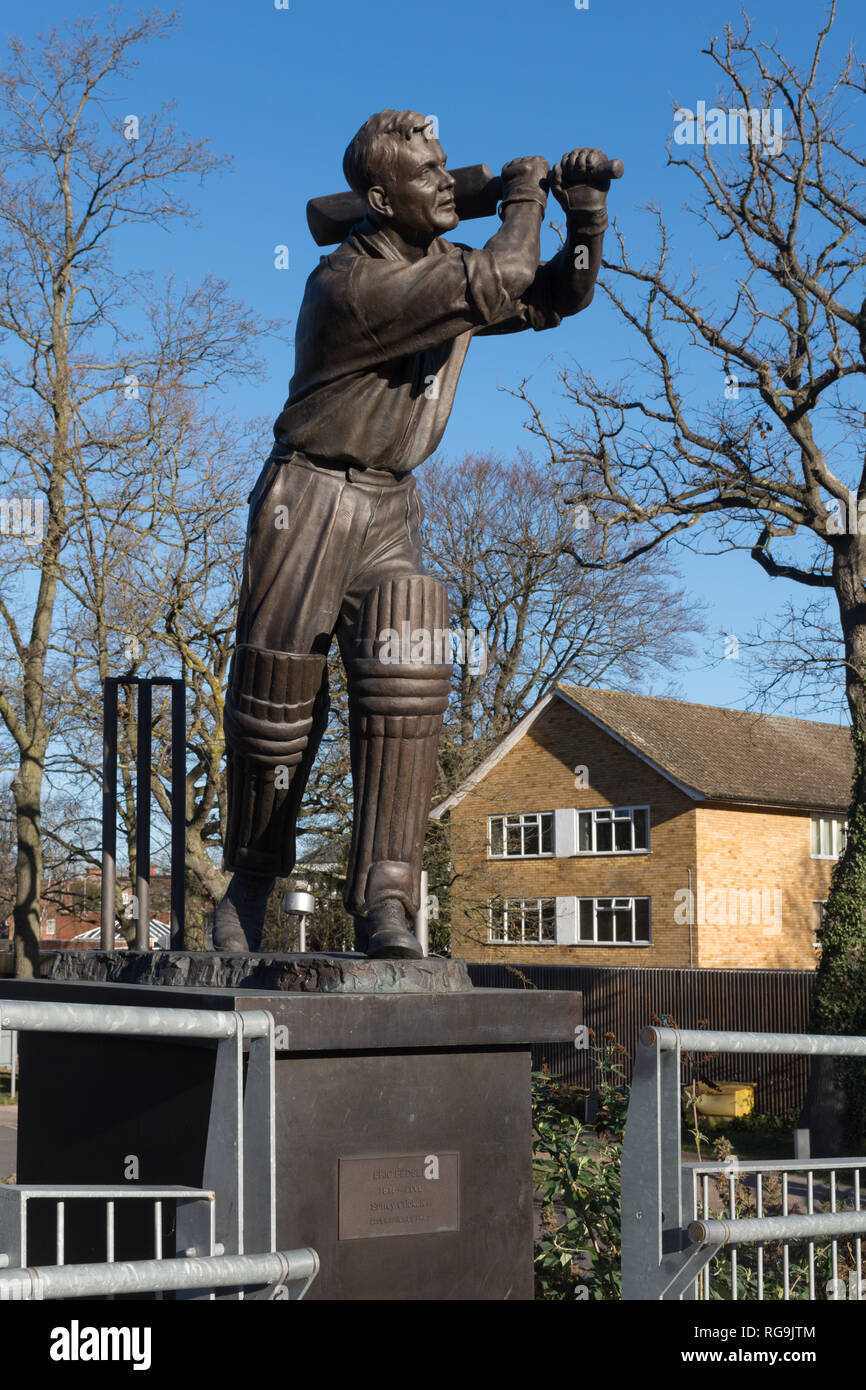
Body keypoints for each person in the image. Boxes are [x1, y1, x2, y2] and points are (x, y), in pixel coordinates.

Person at [214, 109, 611, 958]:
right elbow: (501, 276)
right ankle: (249, 884)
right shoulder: (346, 284)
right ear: (377, 198)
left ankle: (387, 899)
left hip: (390, 504)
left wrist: (582, 219)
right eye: (425, 172)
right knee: (275, 707)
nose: (442, 180)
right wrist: (520, 193)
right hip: (307, 496)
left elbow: (554, 296)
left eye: (444, 167)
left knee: (408, 674)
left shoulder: (448, 264)